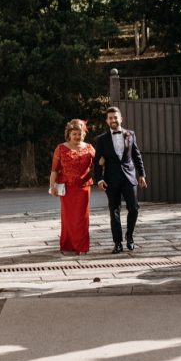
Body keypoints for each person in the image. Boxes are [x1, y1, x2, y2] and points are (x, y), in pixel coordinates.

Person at [93, 106, 147, 254]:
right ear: (107, 120)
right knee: (114, 211)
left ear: (121, 119)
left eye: (115, 117)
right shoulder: (102, 139)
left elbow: (136, 155)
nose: (113, 120)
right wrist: (99, 180)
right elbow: (97, 162)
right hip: (111, 180)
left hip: (129, 178)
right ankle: (117, 243)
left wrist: (142, 174)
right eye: (110, 118)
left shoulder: (130, 134)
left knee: (134, 208)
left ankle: (129, 236)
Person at [48, 118, 95, 254]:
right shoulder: (61, 148)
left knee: (82, 218)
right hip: (66, 188)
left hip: (83, 187)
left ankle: (81, 247)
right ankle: (68, 245)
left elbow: (98, 164)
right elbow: (54, 170)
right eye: (74, 133)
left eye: (79, 133)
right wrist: (52, 186)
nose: (77, 136)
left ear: (84, 134)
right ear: (69, 134)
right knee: (68, 218)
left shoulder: (90, 148)